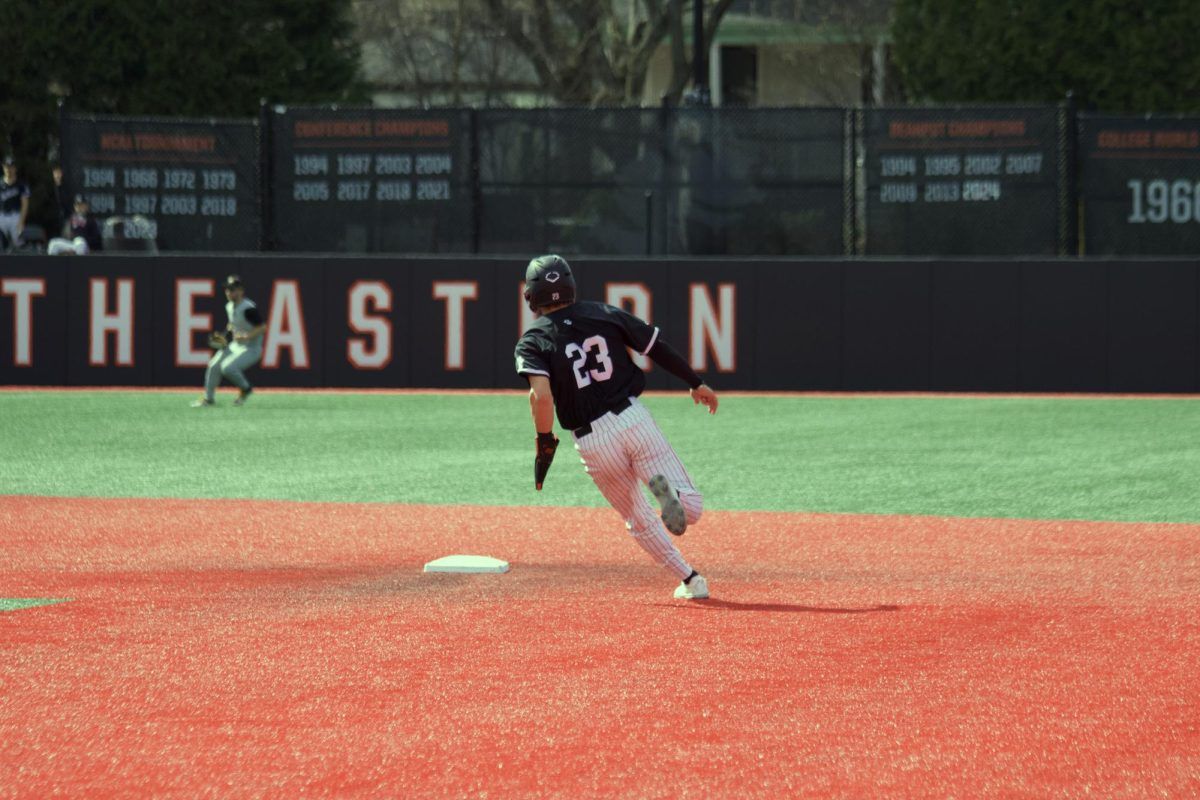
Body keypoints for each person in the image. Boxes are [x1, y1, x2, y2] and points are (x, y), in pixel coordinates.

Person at [514, 254, 720, 600]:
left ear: (531, 295)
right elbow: (656, 347)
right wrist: (695, 382)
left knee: (637, 518)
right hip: (632, 419)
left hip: (593, 441)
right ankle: (677, 501)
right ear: (570, 286)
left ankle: (691, 580)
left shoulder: (532, 341)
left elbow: (542, 396)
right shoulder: (602, 312)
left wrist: (544, 440)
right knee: (692, 509)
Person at [191, 275, 266, 407]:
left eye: (233, 289)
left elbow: (263, 327)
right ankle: (208, 399)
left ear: (241, 291)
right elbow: (233, 324)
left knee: (228, 367)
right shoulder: (229, 306)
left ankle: (246, 388)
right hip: (236, 345)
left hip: (251, 348)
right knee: (214, 365)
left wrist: (247, 336)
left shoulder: (248, 308)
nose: (229, 292)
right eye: (227, 289)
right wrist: (224, 334)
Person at [0, 155, 31, 251]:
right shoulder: (0, 184)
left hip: (16, 216)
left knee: (18, 242)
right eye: (7, 166)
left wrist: (21, 221)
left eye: (11, 167)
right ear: (3, 167)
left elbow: (25, 205)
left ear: (15, 168)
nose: (9, 169)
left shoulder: (21, 184)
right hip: (2, 216)